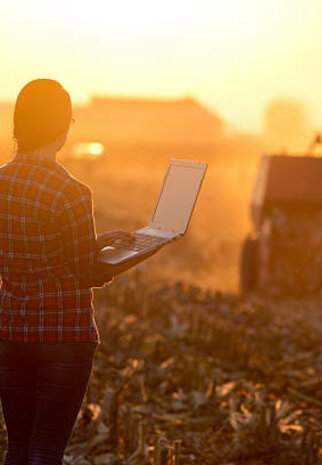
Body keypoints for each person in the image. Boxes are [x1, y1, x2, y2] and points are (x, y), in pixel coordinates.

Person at [0, 79, 134, 464]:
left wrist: (98, 240)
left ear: (18, 125)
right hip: (62, 334)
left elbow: (28, 249)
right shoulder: (71, 191)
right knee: (46, 451)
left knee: (19, 448)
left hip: (10, 329)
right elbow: (84, 271)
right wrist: (121, 257)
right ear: (63, 126)